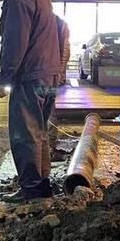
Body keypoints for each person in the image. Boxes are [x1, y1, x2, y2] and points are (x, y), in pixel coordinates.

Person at [0, 0, 61, 201]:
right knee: (40, 132)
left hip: (30, 77)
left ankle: (32, 190)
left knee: (25, 135)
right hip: (48, 75)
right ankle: (41, 185)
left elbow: (15, 43)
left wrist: (4, 79)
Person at [48, 14, 71, 159]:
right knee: (47, 107)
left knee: (46, 108)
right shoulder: (58, 23)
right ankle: (48, 144)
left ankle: (48, 144)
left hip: (45, 74)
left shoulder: (58, 23)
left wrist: (60, 72)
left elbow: (64, 49)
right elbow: (65, 49)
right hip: (46, 74)